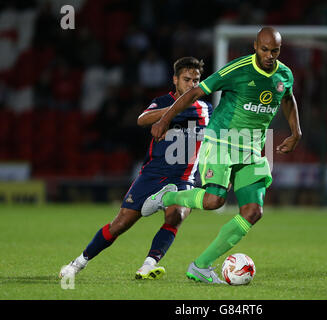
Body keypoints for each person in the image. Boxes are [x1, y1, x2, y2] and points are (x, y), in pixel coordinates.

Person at [142, 27, 302, 284]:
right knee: (215, 200)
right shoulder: (238, 69)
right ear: (255, 46)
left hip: (251, 149)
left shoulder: (285, 74)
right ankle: (166, 196)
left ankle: (201, 266)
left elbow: (288, 98)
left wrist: (296, 131)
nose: (269, 56)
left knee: (253, 211)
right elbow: (195, 93)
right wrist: (165, 118)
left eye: (275, 51)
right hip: (222, 141)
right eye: (264, 50)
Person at [59, 57, 212, 280]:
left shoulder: (206, 109)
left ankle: (148, 265)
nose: (192, 85)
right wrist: (175, 110)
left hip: (183, 177)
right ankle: (77, 263)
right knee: (119, 224)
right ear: (175, 80)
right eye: (187, 80)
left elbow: (219, 136)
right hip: (152, 175)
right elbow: (142, 120)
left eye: (196, 81)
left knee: (176, 215)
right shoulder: (162, 101)